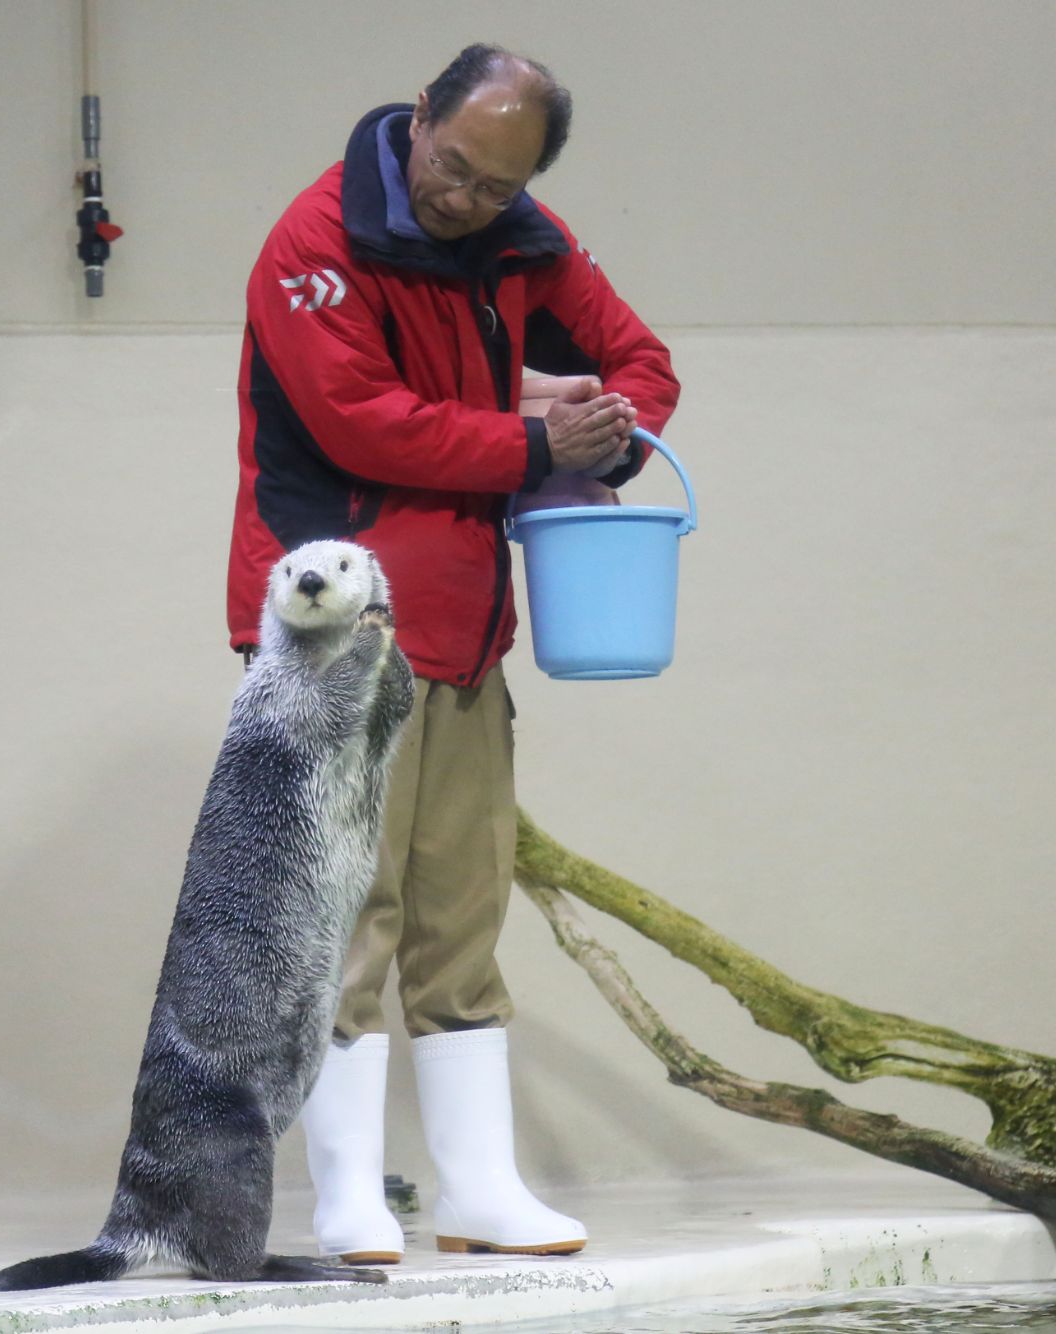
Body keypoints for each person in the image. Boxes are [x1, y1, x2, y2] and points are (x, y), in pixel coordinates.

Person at [224, 44, 680, 1262]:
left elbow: (642, 365)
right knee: (344, 913)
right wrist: (537, 440)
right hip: (338, 634)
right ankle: (346, 1193)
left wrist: (605, 434)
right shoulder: (314, 239)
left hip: (470, 631)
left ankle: (477, 1183)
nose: (462, 200)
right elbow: (359, 421)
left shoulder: (526, 236)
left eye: (493, 187)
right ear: (418, 116)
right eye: (452, 166)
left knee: (458, 914)